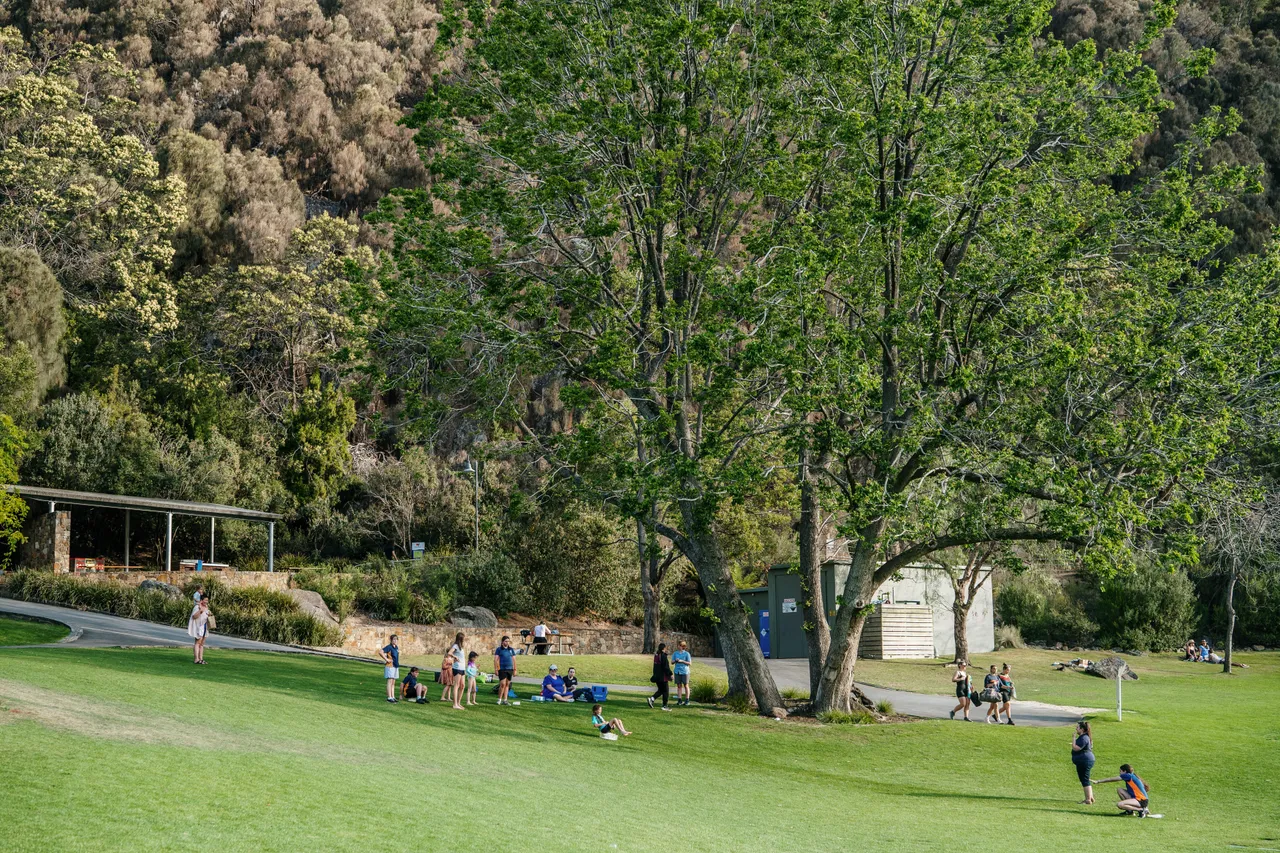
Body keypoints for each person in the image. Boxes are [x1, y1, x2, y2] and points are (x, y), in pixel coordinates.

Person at [1071, 721, 1095, 804]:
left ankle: (1088, 799)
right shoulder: (1085, 737)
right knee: (1085, 779)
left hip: (1084, 760)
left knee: (1084, 780)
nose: (1076, 729)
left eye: (1077, 727)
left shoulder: (1084, 738)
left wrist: (1073, 738)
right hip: (1085, 760)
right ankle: (1091, 797)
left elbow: (1075, 748)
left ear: (1082, 729)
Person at [493, 635, 518, 705]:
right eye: (506, 641)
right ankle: (499, 699)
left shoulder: (511, 650)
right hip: (502, 669)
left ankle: (505, 700)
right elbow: (495, 660)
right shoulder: (499, 649)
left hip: (510, 669)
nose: (507, 643)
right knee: (502, 684)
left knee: (507, 684)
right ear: (502, 642)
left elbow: (514, 660)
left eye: (508, 641)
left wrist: (515, 669)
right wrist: (496, 669)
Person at [649, 643, 673, 710]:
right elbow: (665, 667)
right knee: (666, 691)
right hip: (663, 677)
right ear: (664, 648)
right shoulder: (663, 656)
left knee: (661, 690)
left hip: (656, 676)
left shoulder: (656, 655)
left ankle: (652, 699)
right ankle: (664, 706)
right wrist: (670, 674)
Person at [187, 598, 211, 665]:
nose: (206, 602)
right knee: (197, 642)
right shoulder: (197, 607)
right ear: (201, 600)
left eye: (207, 600)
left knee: (202, 644)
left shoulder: (206, 607)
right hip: (199, 627)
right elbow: (194, 616)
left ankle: (201, 658)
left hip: (205, 627)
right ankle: (196, 659)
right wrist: (200, 611)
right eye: (205, 600)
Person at [448, 632, 467, 710]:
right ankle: (455, 704)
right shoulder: (455, 646)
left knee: (462, 686)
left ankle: (458, 703)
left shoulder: (461, 647)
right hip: (457, 667)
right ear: (461, 638)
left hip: (462, 668)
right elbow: (449, 653)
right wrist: (455, 656)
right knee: (457, 685)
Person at [380, 634, 400, 703]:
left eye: (396, 639)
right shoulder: (389, 647)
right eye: (394, 639)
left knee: (393, 682)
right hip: (390, 666)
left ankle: (393, 696)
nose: (395, 640)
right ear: (391, 640)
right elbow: (381, 652)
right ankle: (389, 697)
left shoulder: (396, 647)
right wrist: (386, 659)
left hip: (395, 666)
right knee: (390, 681)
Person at [672, 641, 693, 706]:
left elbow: (690, 663)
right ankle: (679, 700)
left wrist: (682, 661)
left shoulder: (687, 654)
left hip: (685, 671)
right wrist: (675, 660)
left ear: (683, 646)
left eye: (680, 645)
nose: (678, 646)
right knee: (679, 686)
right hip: (677, 671)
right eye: (678, 645)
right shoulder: (675, 653)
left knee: (686, 685)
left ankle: (687, 700)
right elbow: (672, 662)